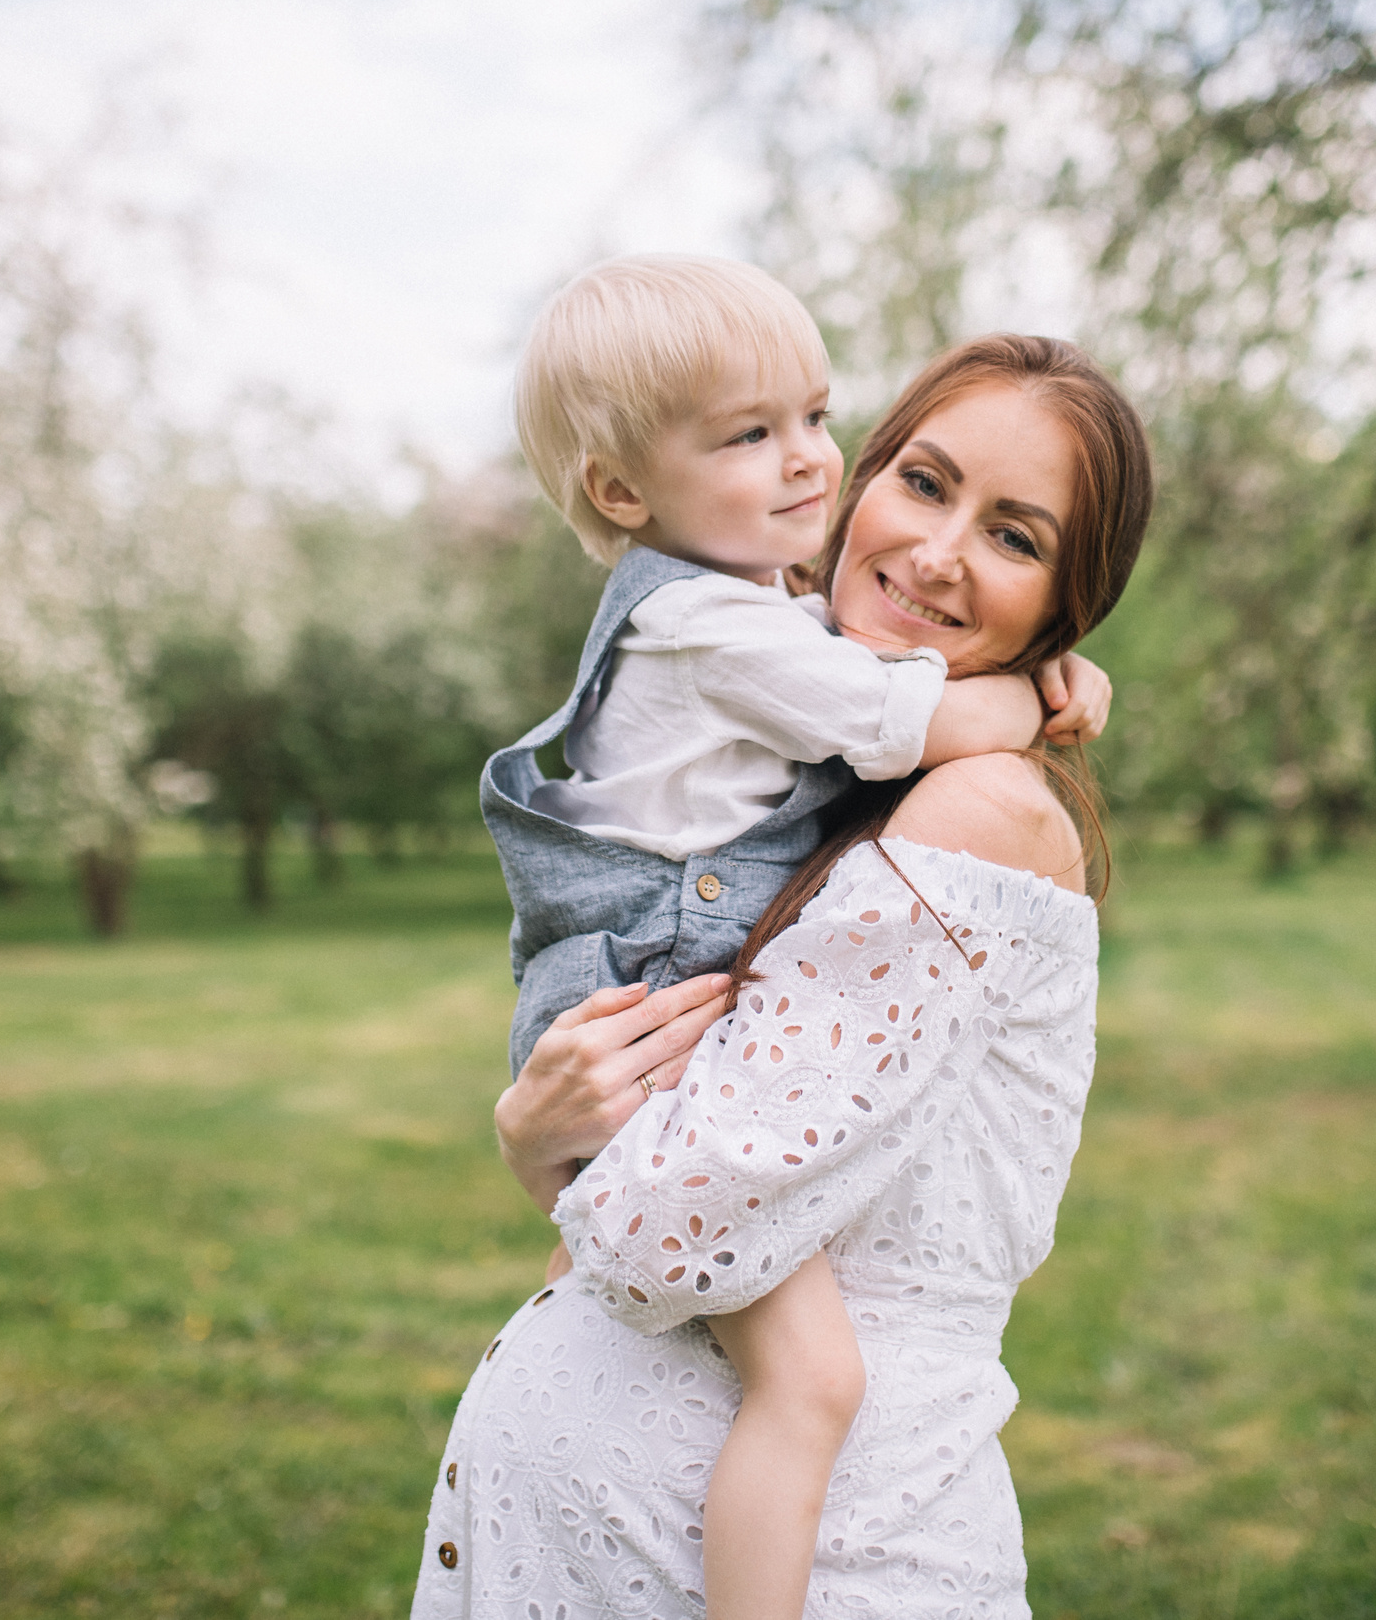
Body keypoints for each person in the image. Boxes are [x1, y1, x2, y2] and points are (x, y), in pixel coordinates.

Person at [416, 332, 1154, 1619]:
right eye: (924, 483)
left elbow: (661, 1231)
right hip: (601, 1550)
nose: (937, 551)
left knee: (803, 1374)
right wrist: (535, 1131)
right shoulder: (805, 721)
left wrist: (543, 1154)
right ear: (863, 483)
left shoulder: (974, 809)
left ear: (1063, 601)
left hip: (838, 1555)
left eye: (1016, 537)